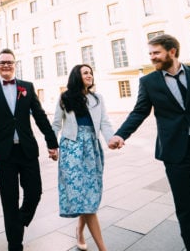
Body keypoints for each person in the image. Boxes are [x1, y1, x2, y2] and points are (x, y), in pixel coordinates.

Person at [108, 34, 190, 251]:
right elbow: (139, 112)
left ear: (172, 51)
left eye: (156, 53)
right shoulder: (149, 81)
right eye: (150, 54)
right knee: (187, 208)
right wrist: (121, 135)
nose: (152, 57)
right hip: (175, 153)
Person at [0, 48, 59, 251]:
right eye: (2, 62)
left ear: (15, 64)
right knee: (9, 199)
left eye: (9, 62)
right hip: (4, 154)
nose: (6, 65)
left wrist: (52, 142)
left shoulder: (27, 87)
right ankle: (15, 244)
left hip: (27, 150)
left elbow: (40, 116)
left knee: (35, 192)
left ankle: (19, 222)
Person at [52, 64, 114, 251]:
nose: (89, 75)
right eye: (85, 72)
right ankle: (103, 248)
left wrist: (112, 139)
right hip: (71, 149)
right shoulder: (65, 97)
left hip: (92, 148)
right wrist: (52, 146)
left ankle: (79, 230)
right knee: (83, 196)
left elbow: (104, 122)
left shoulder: (98, 98)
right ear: (76, 76)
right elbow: (55, 124)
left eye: (91, 73)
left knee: (89, 194)